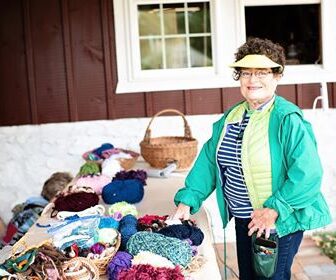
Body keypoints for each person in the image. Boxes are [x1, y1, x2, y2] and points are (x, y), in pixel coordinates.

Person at [172, 37, 331, 279]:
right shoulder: (232, 116)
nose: (252, 79)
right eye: (246, 73)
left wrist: (274, 210)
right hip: (244, 220)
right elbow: (208, 161)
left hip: (274, 222)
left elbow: (308, 174)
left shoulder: (287, 119)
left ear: (277, 76)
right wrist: (188, 199)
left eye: (262, 72)